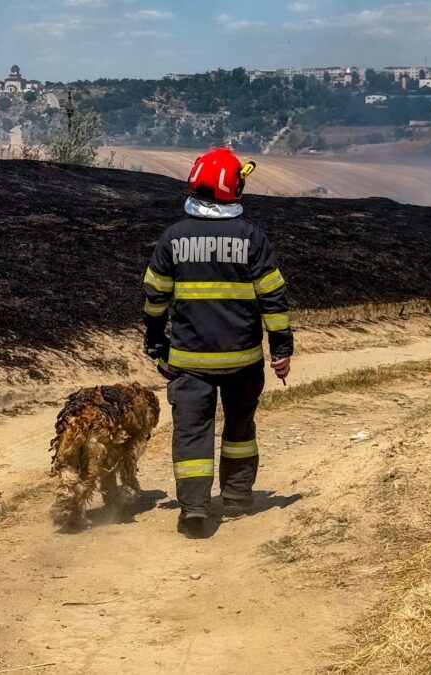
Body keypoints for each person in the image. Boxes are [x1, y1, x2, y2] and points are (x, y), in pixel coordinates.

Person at [142, 148, 294, 536]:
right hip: (243, 362)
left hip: (190, 362)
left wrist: (156, 345)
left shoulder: (173, 238)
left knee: (192, 433)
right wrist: (281, 349)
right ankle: (239, 496)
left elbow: (155, 299)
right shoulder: (252, 237)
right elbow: (273, 300)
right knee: (240, 427)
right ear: (233, 187)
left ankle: (194, 508)